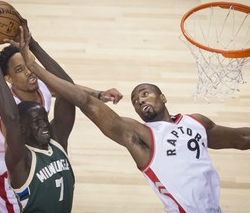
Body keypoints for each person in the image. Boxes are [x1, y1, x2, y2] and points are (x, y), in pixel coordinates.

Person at [15, 26, 250, 213]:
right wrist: (34, 64)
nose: (140, 100)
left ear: (163, 97)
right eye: (136, 101)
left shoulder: (197, 122)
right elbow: (85, 103)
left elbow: (241, 139)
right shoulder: (142, 136)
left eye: (145, 93)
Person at [0, 22, 123, 212]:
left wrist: (99, 94)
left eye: (27, 64)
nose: (28, 71)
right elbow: (12, 126)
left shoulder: (39, 85)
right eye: (19, 70)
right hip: (5, 170)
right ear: (9, 79)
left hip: (34, 151)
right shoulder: (12, 112)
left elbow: (67, 87)